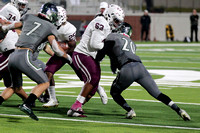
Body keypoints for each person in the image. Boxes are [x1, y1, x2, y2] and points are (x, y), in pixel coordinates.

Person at [95, 22, 191, 121]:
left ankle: (130, 110)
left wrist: (97, 59)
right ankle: (179, 110)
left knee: (114, 92)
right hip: (140, 68)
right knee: (157, 93)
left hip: (127, 68)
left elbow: (106, 50)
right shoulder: (132, 43)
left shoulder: (113, 36)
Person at [0, 2, 72, 121]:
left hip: (13, 56)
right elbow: (56, 49)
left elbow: (8, 26)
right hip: (25, 55)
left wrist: (2, 29)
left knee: (15, 87)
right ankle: (27, 104)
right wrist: (68, 58)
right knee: (44, 82)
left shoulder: (28, 17)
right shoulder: (50, 26)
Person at [67, 4, 125, 117]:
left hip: (91, 57)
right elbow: (95, 44)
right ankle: (76, 105)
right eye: (116, 20)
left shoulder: (106, 24)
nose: (117, 24)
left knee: (93, 88)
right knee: (92, 78)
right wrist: (109, 46)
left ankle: (75, 110)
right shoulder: (101, 22)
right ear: (110, 15)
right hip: (83, 54)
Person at [0, 0, 29, 105]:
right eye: (21, 4)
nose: (23, 6)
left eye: (24, 4)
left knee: (13, 83)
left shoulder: (10, 10)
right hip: (9, 47)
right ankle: (29, 100)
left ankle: (30, 100)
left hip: (10, 49)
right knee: (13, 84)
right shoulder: (11, 10)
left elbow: (14, 27)